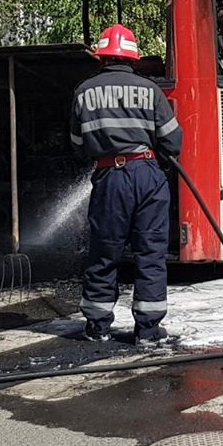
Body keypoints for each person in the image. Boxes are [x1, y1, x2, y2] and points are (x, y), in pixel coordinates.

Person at [72, 24, 183, 344]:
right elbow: (173, 141)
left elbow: (77, 144)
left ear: (102, 56)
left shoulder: (84, 91)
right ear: (133, 58)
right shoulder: (150, 90)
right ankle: (148, 330)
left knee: (104, 251)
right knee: (150, 252)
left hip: (109, 176)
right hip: (147, 175)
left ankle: (97, 326)